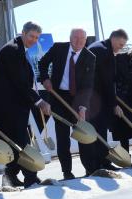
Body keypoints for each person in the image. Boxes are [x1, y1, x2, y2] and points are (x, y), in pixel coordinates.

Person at [0, 21, 51, 188]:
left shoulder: (18, 49)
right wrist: (39, 101)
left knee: (16, 142)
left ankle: (10, 176)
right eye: (31, 36)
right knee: (22, 143)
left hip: (14, 106)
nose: (34, 40)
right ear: (23, 33)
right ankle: (30, 178)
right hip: (8, 107)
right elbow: (20, 82)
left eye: (37, 37)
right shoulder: (13, 50)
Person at [38, 28, 96, 179]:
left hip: (78, 99)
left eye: (82, 39)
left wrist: (83, 107)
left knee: (83, 134)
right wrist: (45, 79)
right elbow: (42, 63)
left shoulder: (90, 57)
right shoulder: (58, 48)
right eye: (76, 38)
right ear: (70, 38)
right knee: (62, 136)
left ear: (85, 40)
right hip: (59, 97)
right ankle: (67, 171)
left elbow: (88, 85)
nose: (79, 41)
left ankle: (89, 169)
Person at [87, 29, 129, 172]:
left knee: (100, 131)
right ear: (115, 39)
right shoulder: (105, 51)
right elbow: (107, 81)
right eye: (121, 44)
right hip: (95, 98)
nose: (121, 48)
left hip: (92, 97)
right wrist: (114, 105)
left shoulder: (99, 46)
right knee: (99, 131)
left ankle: (101, 162)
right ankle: (99, 164)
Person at [113, 49, 132, 152]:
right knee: (123, 130)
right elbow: (110, 81)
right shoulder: (119, 59)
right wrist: (114, 103)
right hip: (120, 101)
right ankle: (126, 157)